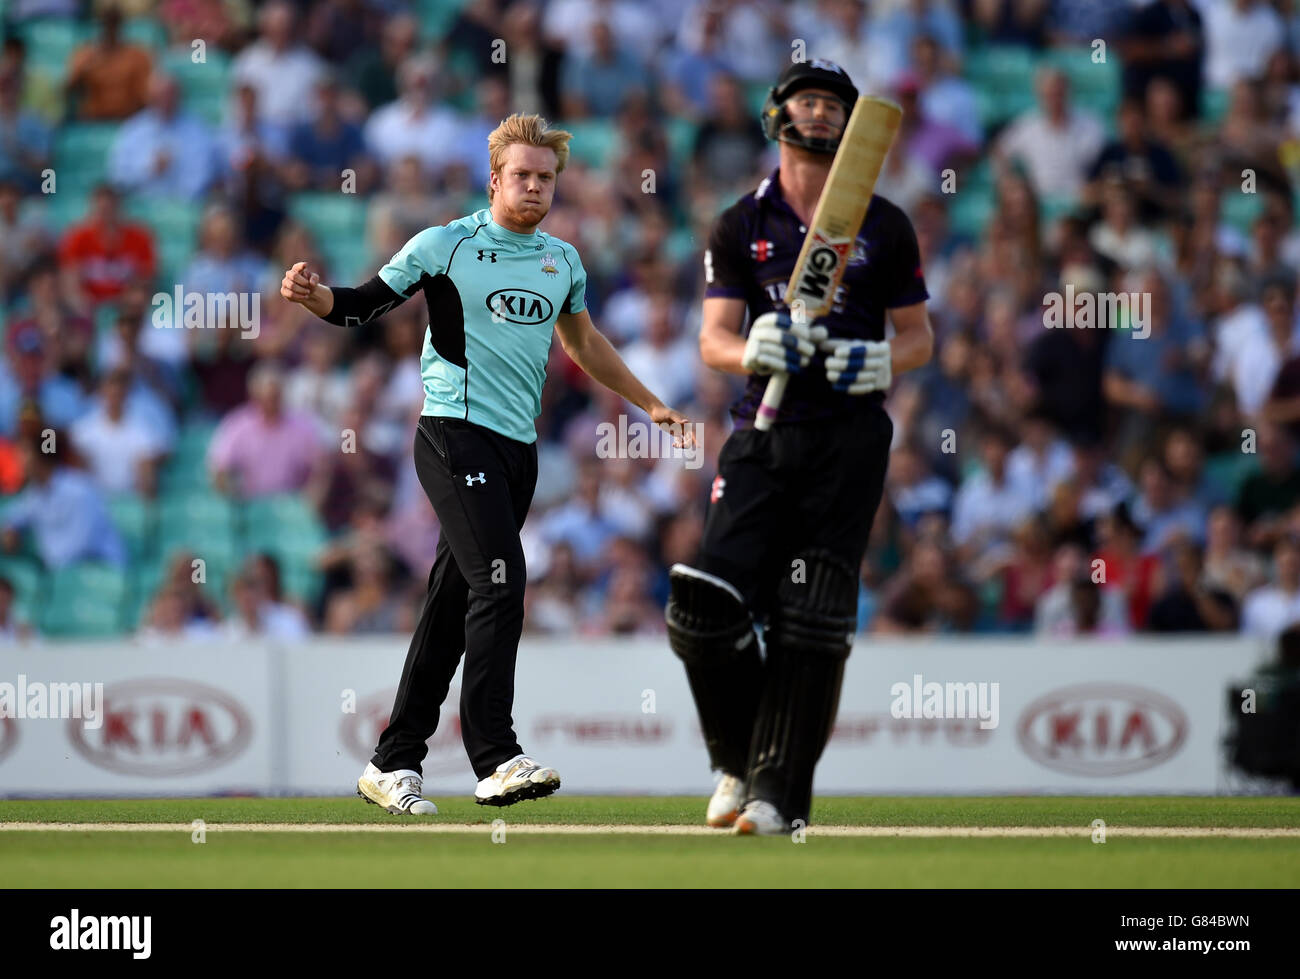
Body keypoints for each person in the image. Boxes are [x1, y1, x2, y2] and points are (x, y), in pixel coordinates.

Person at [280, 112, 690, 814]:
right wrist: (318, 298)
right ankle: (496, 754)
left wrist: (648, 402)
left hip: (516, 452)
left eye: (546, 178)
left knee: (453, 601)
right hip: (452, 434)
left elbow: (584, 345)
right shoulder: (447, 244)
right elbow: (364, 305)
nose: (534, 187)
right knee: (503, 579)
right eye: (522, 176)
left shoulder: (563, 261)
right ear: (495, 178)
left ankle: (393, 758)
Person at [666, 60, 933, 836]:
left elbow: (918, 335)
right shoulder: (739, 224)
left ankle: (779, 795)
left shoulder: (884, 224)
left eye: (832, 105)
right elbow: (710, 341)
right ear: (776, 114)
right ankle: (738, 759)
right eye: (806, 100)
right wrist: (753, 345)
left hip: (848, 436)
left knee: (811, 617)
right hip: (764, 431)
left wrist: (886, 359)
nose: (819, 114)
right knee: (702, 604)